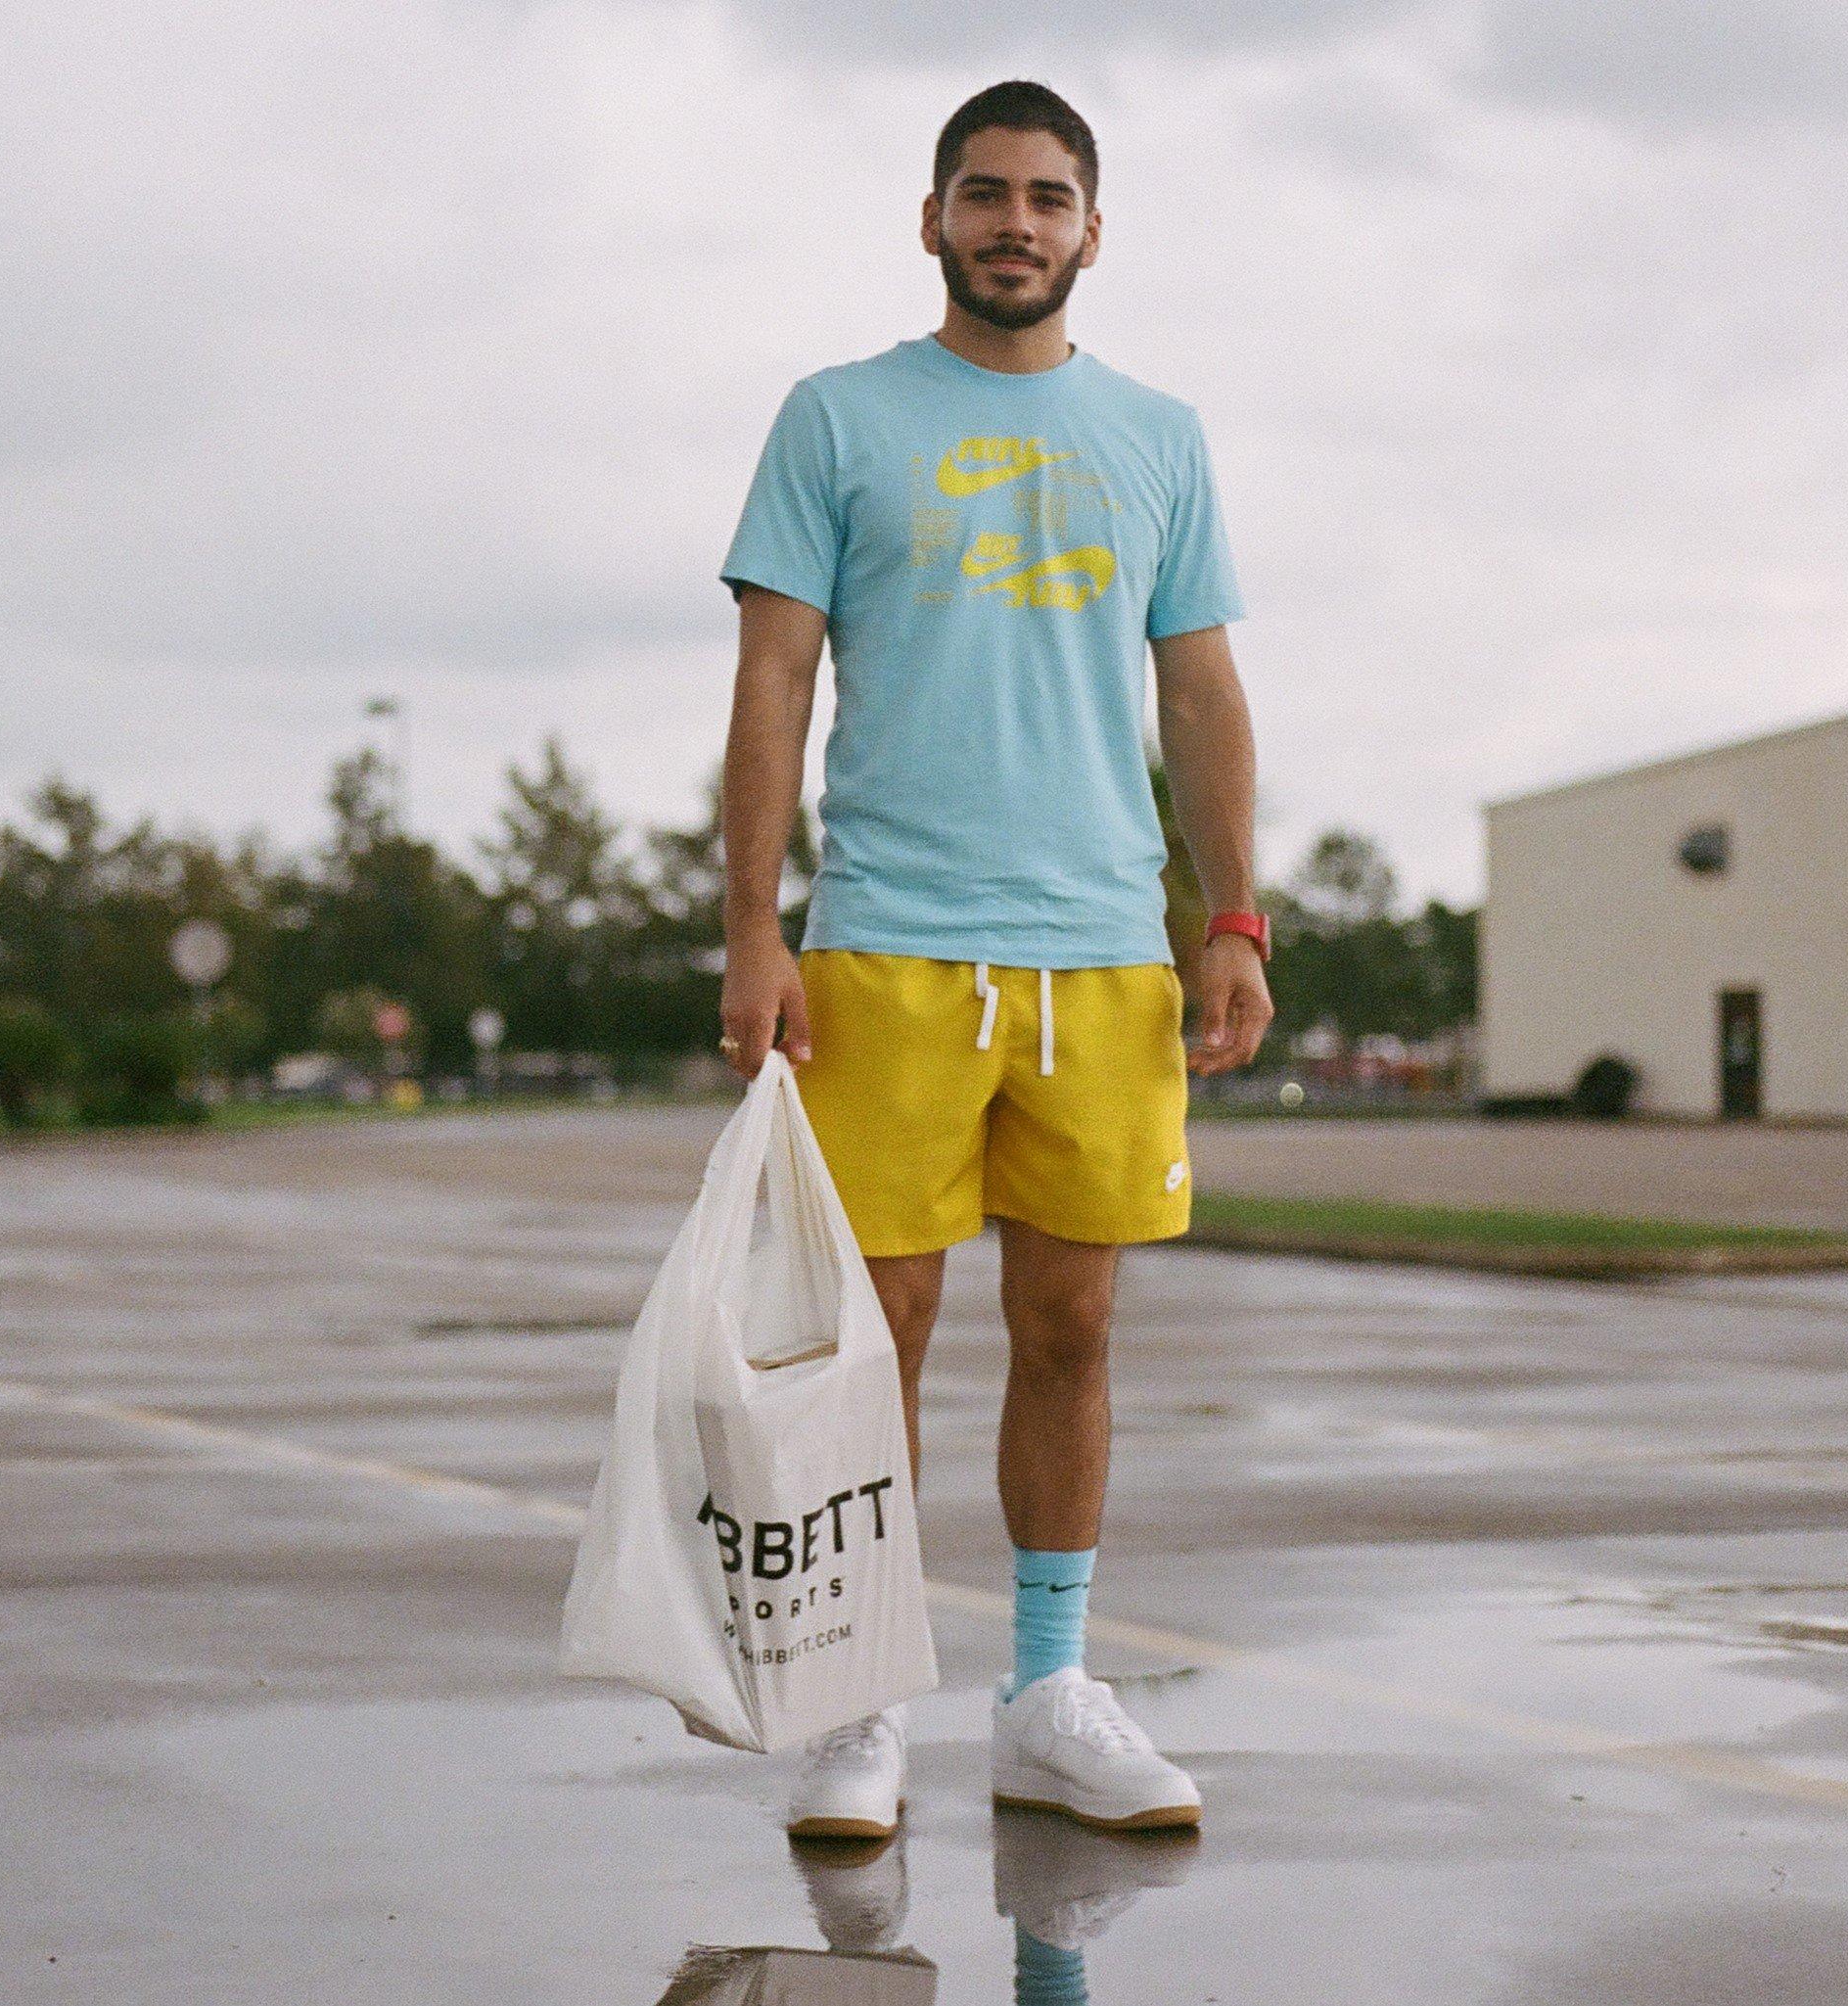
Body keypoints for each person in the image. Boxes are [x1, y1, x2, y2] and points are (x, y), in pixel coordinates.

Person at [714, 78, 1271, 1843]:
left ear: (1090, 229)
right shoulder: (835, 417)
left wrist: (1231, 919)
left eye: (1045, 197)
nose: (1013, 223)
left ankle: (1047, 1692)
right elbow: (776, 681)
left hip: (1102, 954)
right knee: (876, 1333)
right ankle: (860, 1700)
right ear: (932, 217)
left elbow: (1197, 691)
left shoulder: (1160, 435)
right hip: (882, 945)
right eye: (983, 193)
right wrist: (750, 923)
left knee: (1076, 1319)